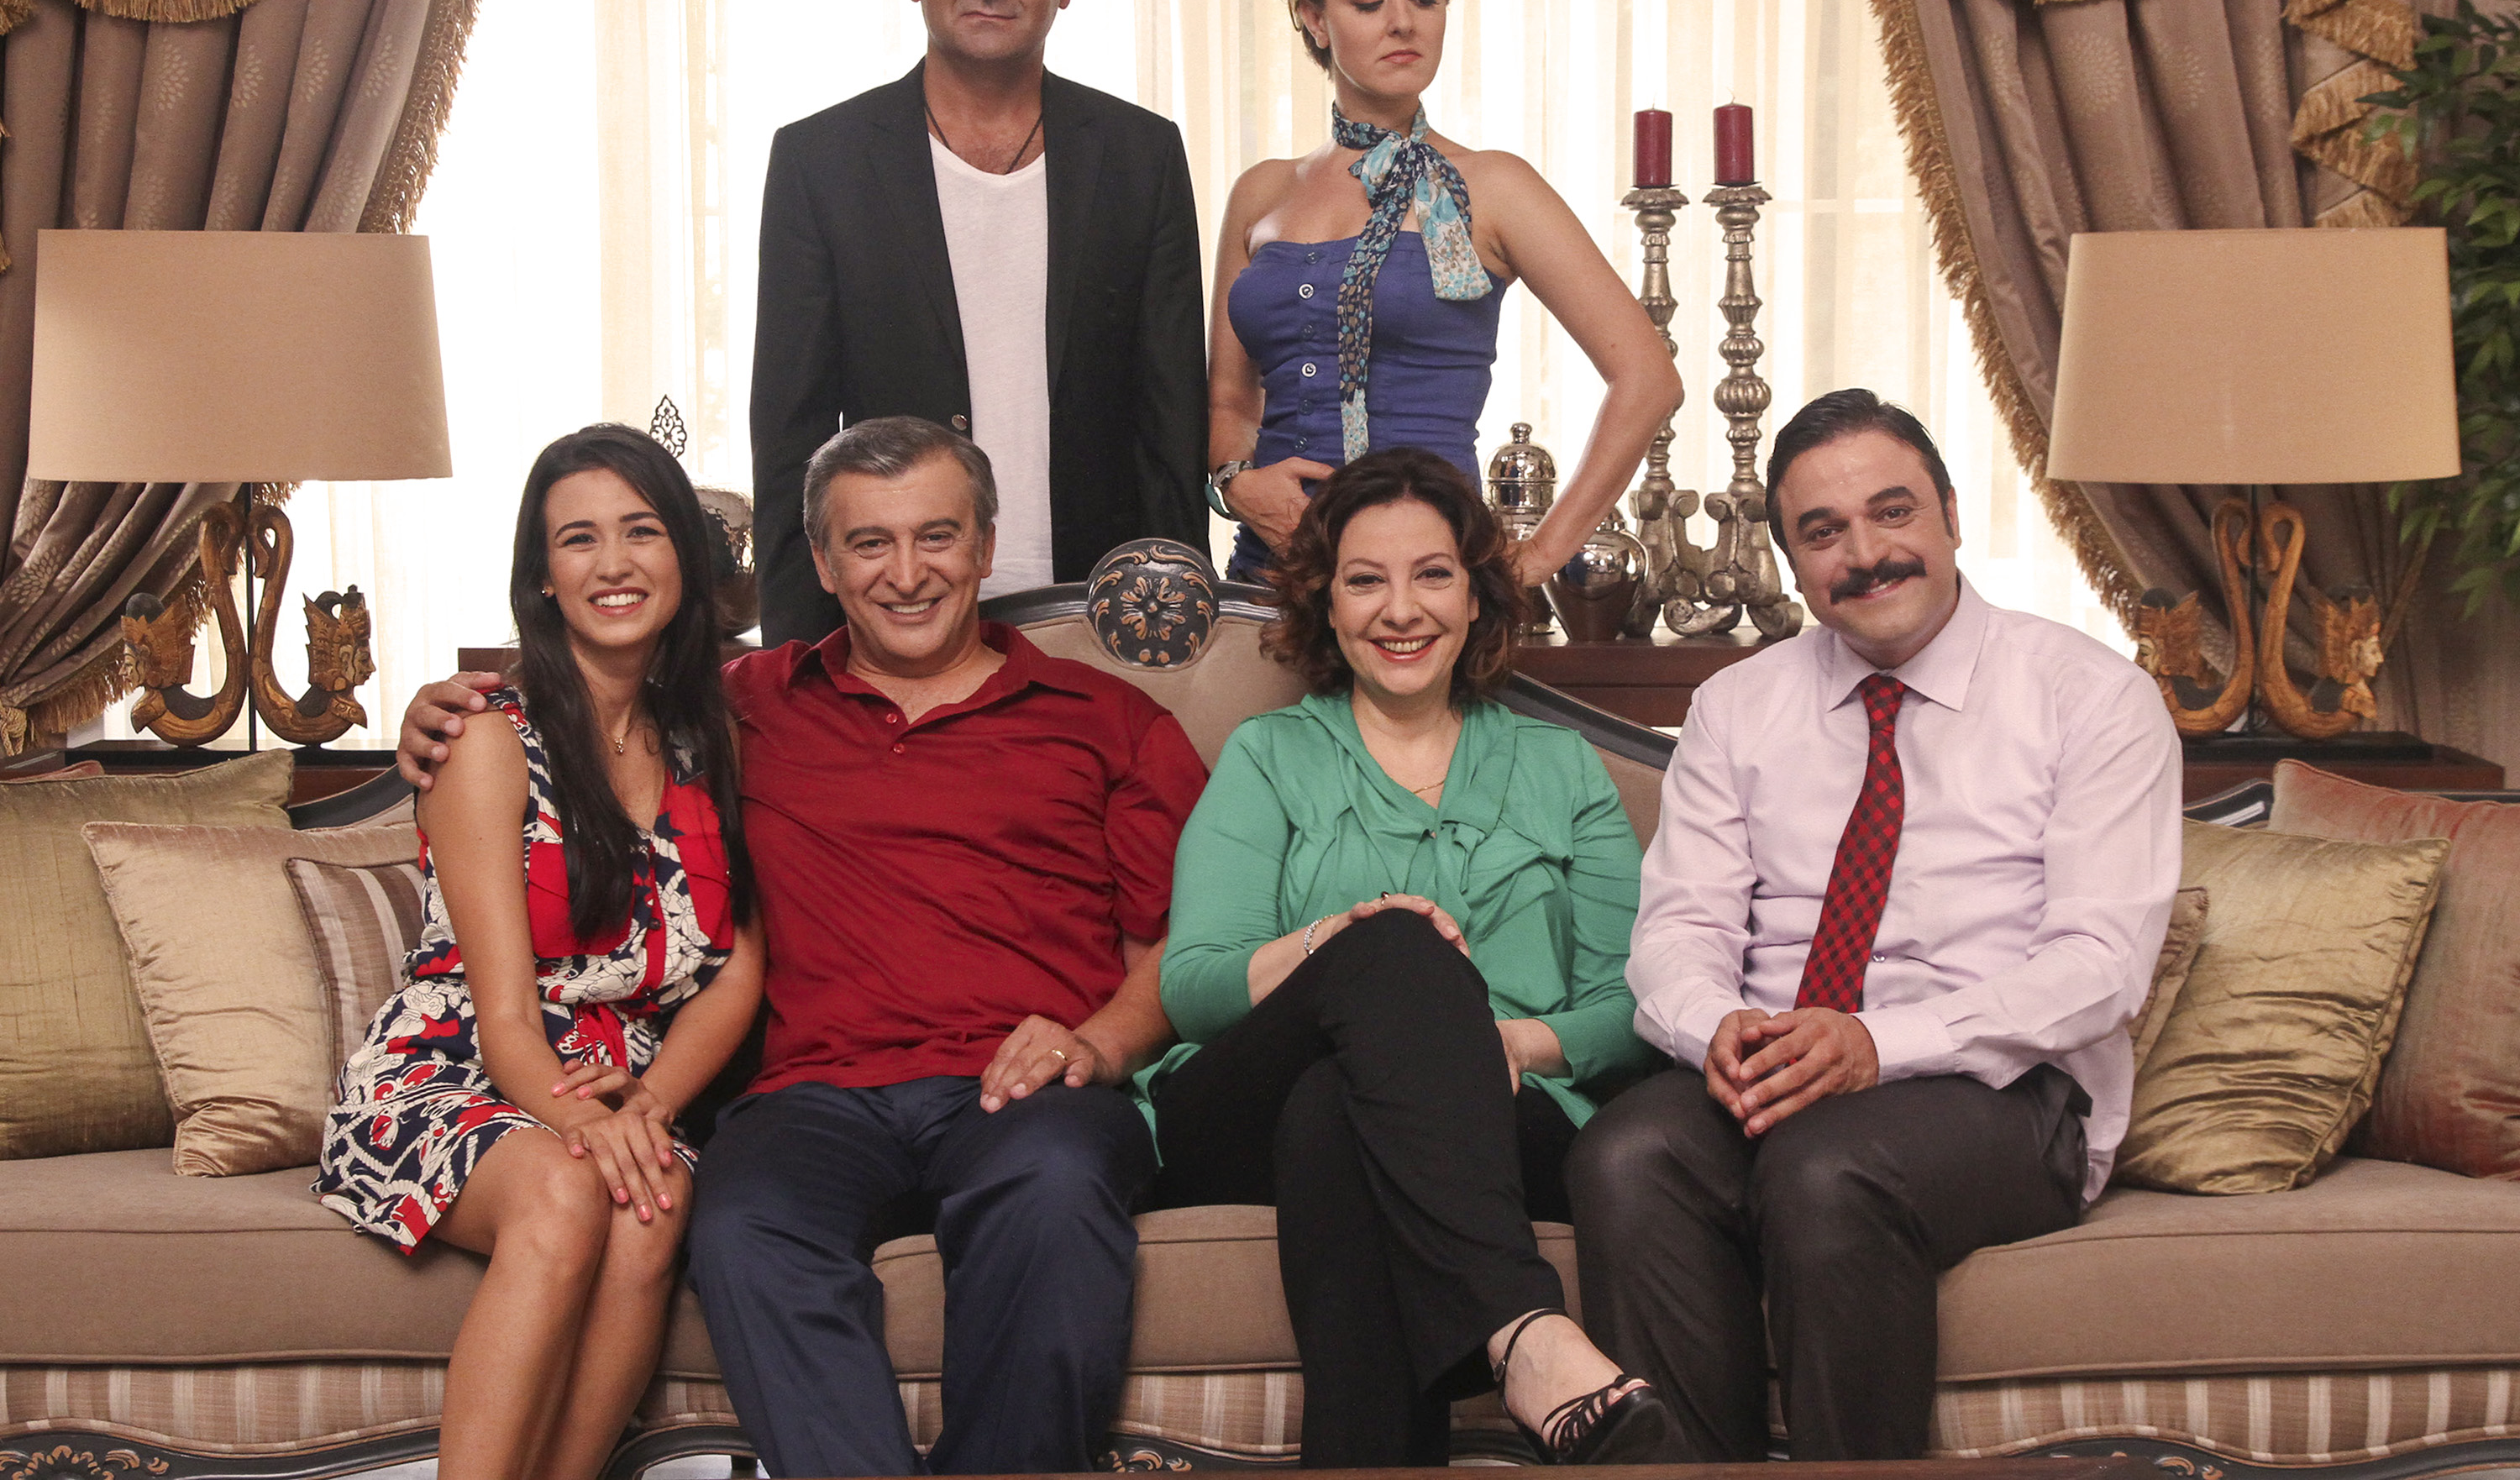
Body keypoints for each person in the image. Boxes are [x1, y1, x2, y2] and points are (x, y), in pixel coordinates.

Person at [395, 416, 1206, 1477]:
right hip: (811, 1097)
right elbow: (582, 703)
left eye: (937, 535)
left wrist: (1094, 1044)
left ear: (984, 544)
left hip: (1023, 1084)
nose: (906, 573)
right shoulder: (739, 711)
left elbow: (1186, 947)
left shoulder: (1109, 719)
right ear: (823, 562)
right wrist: (434, 711)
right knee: (743, 1226)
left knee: (1054, 1189)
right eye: (869, 543)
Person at [1564, 389, 2182, 1462]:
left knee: (1827, 1167)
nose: (1866, 553)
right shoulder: (1736, 706)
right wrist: (1715, 1025)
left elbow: (2100, 965)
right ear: (1793, 564)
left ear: (1952, 515)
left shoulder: (2092, 696)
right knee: (1626, 1151)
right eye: (1823, 532)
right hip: (1779, 1061)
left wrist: (1874, 1044)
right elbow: (1677, 930)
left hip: (2005, 1088)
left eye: (1893, 512)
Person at [1150, 448, 1686, 1468]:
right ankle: (1524, 1328)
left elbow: (1632, 1003)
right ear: (1327, 601)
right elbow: (1195, 985)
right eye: (1366, 579)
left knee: (1339, 1109)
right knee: (1391, 945)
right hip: (1237, 1113)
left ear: (1476, 596)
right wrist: (1339, 943)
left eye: (1433, 574)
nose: (1402, 609)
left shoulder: (1560, 766)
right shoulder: (1270, 755)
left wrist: (1501, 1046)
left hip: (1500, 1114)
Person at [321, 425, 764, 1480]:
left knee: (651, 1202)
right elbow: (505, 1013)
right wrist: (584, 1121)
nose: (614, 563)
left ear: (684, 557)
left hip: (621, 1077)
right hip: (453, 1066)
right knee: (570, 1190)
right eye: (579, 538)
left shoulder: (714, 736)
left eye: (642, 530)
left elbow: (737, 968)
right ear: (543, 578)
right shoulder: (484, 738)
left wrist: (649, 1104)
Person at [752, 0, 1206, 641]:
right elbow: (791, 439)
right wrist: (794, 660)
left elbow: (1170, 425)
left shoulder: (1141, 155)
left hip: (1098, 616)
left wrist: (1176, 633)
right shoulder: (821, 162)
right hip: (894, 619)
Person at [1205, 0, 1682, 585]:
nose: (1404, 22)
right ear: (1314, 19)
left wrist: (1536, 557)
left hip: (1426, 593)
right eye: (1370, 2)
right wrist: (1235, 484)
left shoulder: (1493, 186)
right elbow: (1230, 401)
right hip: (1267, 584)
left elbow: (1648, 378)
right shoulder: (1261, 192)